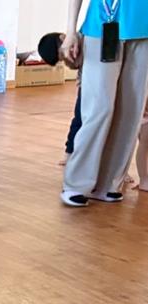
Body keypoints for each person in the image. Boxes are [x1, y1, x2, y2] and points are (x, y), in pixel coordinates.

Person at [61, 0, 148, 207]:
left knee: (131, 112)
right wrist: (71, 31)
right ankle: (77, 184)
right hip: (101, 26)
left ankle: (109, 183)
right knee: (99, 108)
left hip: (143, 31)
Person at [38, 31, 83, 165]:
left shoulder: (84, 40)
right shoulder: (72, 54)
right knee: (79, 118)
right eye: (61, 59)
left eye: (62, 55)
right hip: (86, 84)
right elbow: (75, 65)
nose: (65, 58)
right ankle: (70, 151)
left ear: (64, 38)